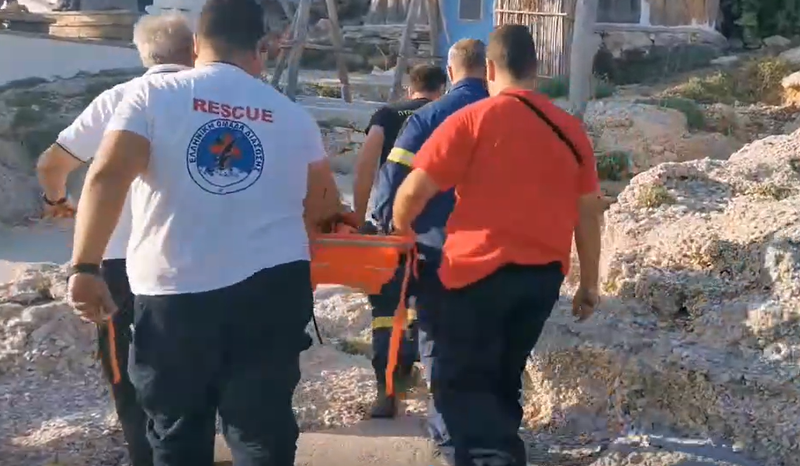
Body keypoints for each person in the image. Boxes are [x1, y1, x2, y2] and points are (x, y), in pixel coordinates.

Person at [64, 0, 342, 464]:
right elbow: (324, 208)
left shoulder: (151, 96)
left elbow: (107, 176)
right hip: (272, 291)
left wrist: (86, 266)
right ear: (264, 48)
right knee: (261, 431)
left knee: (176, 431)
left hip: (175, 293)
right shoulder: (294, 116)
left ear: (195, 46)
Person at [391, 24, 602, 466]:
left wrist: (402, 231)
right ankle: (504, 453)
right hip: (541, 279)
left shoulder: (472, 120)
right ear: (537, 69)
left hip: (473, 276)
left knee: (458, 384)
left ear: (489, 67)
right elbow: (587, 213)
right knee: (504, 376)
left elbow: (413, 191)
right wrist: (589, 284)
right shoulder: (570, 130)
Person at [36, 14, 196, 466]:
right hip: (193, 258)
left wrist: (58, 200)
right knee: (193, 364)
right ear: (195, 50)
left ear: (144, 55)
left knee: (126, 369)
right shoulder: (213, 99)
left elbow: (52, 163)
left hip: (118, 260)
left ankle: (145, 454)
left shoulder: (120, 98)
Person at [369, 38, 488, 449]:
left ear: (452, 73)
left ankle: (443, 427)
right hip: (498, 248)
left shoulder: (427, 116)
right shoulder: (510, 112)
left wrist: (385, 222)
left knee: (429, 328)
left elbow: (391, 173)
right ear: (488, 69)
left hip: (433, 244)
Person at [351, 63, 447, 419]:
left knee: (386, 309)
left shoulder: (388, 114)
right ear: (441, 87)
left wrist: (359, 218)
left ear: (410, 89)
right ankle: (434, 388)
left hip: (391, 225)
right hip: (435, 230)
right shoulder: (445, 113)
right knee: (428, 306)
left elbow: (366, 164)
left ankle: (387, 390)